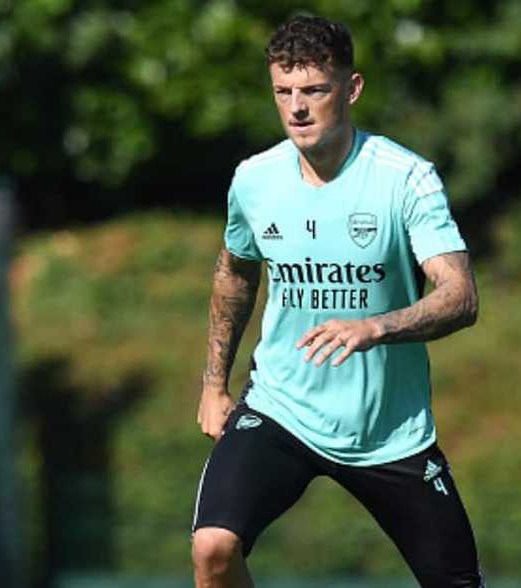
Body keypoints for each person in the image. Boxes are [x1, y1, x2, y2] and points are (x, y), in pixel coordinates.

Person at [192, 14, 484, 588]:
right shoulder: (254, 180)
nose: (297, 107)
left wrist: (376, 327)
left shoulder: (406, 179)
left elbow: (460, 296)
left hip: (389, 432)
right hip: (282, 409)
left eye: (314, 90)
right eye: (284, 92)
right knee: (213, 550)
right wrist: (212, 384)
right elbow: (235, 273)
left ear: (351, 89)